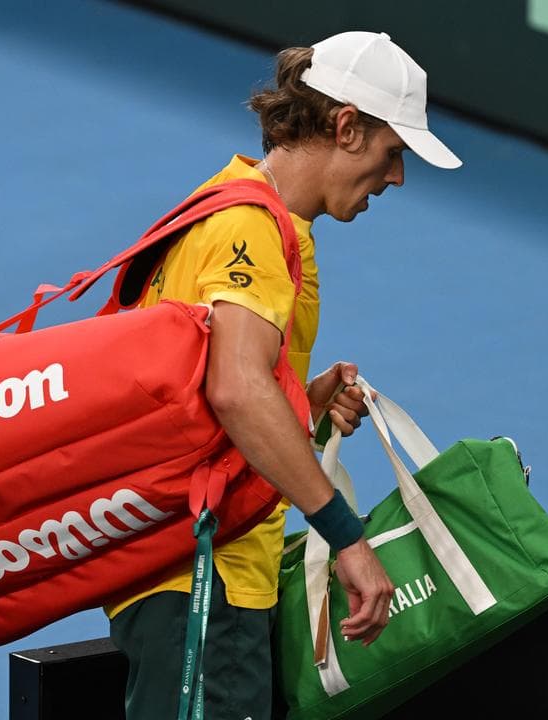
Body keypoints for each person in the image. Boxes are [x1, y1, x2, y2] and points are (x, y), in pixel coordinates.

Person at [105, 30, 462, 720]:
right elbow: (236, 389)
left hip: (191, 578)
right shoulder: (254, 231)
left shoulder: (231, 201)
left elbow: (212, 391)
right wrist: (347, 537)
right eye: (393, 152)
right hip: (206, 584)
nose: (396, 177)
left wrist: (298, 403)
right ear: (347, 127)